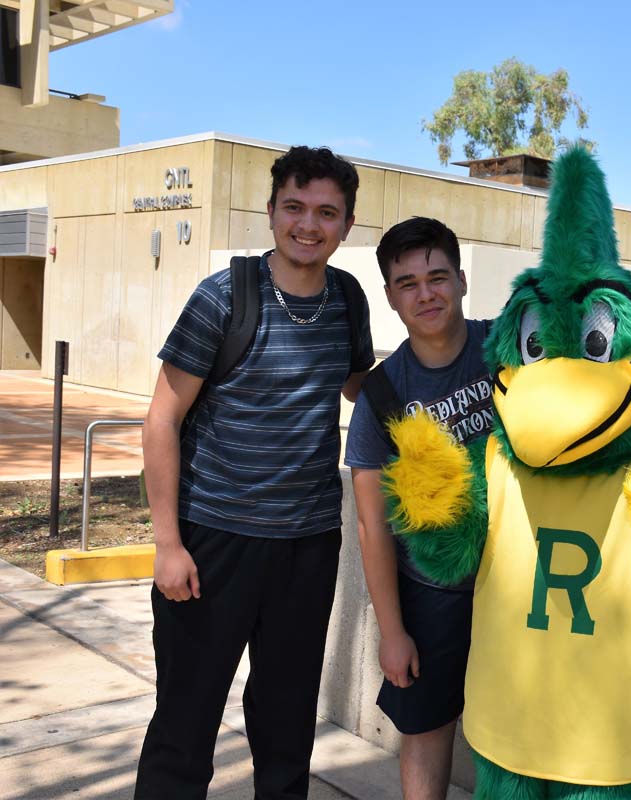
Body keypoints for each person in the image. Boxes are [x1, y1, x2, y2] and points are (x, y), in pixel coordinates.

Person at [136, 145, 374, 800]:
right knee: (185, 728)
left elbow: (362, 387)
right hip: (213, 543)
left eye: (327, 212)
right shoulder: (222, 298)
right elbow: (161, 420)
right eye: (294, 207)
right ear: (270, 212)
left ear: (347, 225)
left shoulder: (349, 300)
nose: (308, 224)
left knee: (287, 729)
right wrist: (167, 545)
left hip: (307, 548)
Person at [344, 217, 491, 800]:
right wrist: (393, 631)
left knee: (528, 733)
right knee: (428, 730)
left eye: (436, 277)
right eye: (407, 283)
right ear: (390, 297)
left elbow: (604, 322)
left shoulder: (509, 343)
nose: (425, 293)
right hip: (433, 594)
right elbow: (371, 525)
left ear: (460, 280)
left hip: (522, 582)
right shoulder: (382, 396)